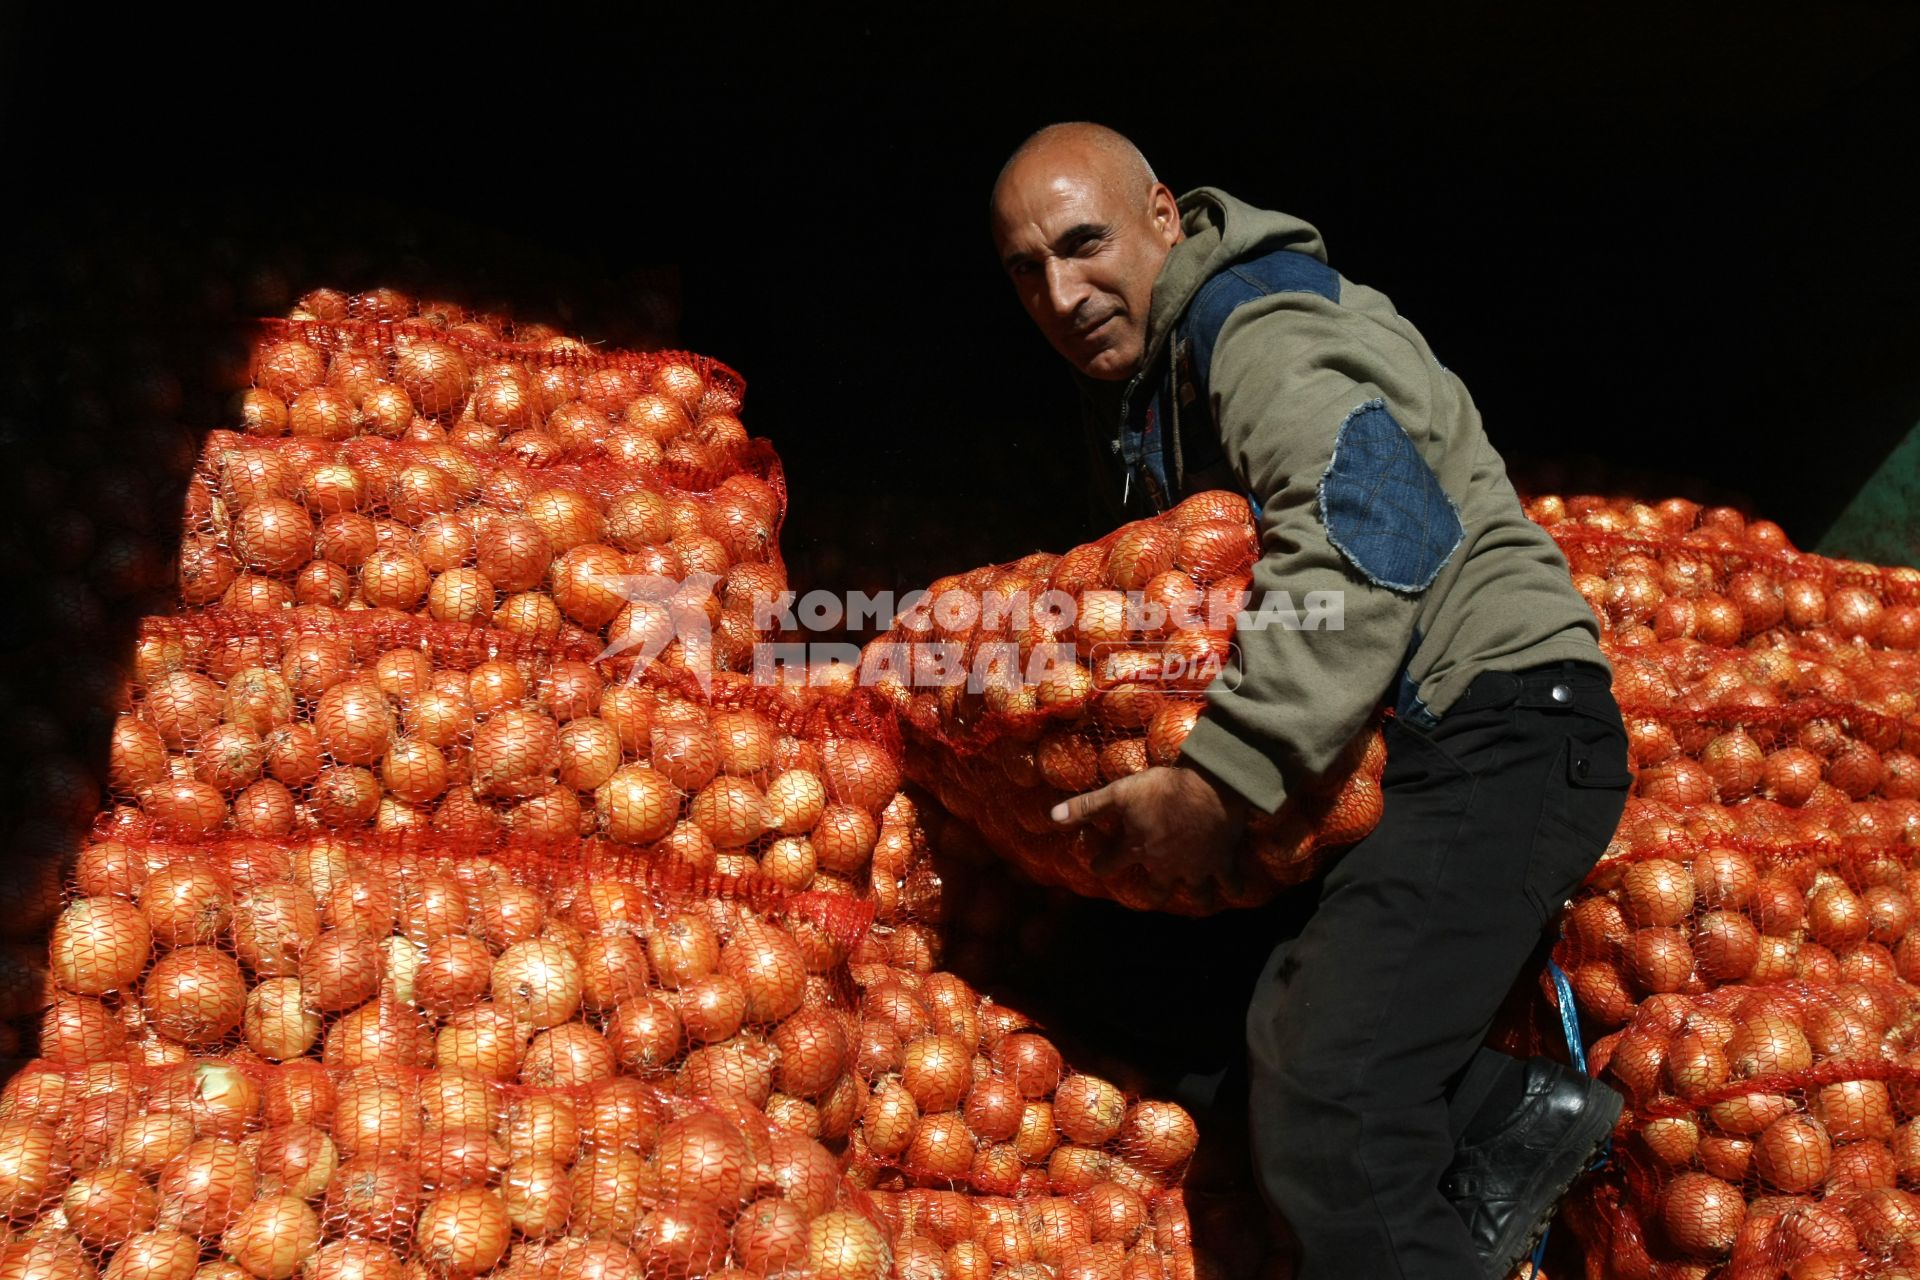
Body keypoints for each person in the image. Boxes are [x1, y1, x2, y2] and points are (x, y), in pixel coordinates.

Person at [988, 122, 1633, 1280]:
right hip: (1390, 743)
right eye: (1028, 268)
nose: (1063, 291)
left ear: (1163, 218)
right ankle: (1504, 1105)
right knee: (1119, 979)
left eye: (1084, 244)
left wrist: (1227, 770)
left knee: (1334, 1102)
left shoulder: (1257, 322)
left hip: (1495, 725)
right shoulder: (1147, 384)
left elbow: (1369, 531)